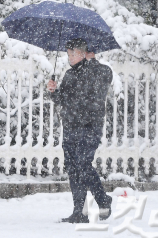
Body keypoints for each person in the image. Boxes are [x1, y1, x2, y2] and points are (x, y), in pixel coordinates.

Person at [47, 38, 113, 223]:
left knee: (83, 165)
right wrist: (53, 92)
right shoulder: (69, 74)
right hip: (70, 127)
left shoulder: (100, 71)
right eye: (68, 54)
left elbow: (103, 80)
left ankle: (102, 199)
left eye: (73, 54)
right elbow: (62, 99)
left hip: (90, 127)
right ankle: (79, 211)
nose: (69, 57)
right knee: (74, 168)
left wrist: (92, 60)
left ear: (84, 53)